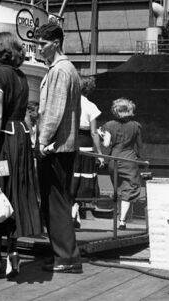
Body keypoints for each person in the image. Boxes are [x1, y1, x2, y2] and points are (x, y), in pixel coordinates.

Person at [0, 32, 42, 278]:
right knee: (14, 192)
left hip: (1, 141)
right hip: (20, 139)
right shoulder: (21, 76)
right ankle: (14, 253)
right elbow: (25, 113)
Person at [35, 22, 83, 274]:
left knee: (56, 203)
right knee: (59, 201)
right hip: (66, 145)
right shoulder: (69, 70)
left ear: (55, 43)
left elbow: (53, 112)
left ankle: (66, 257)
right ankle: (61, 254)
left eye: (42, 44)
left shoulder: (58, 71)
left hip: (55, 147)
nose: (39, 49)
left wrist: (42, 141)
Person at [100, 98, 143, 230]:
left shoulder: (109, 125)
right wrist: (139, 157)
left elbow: (106, 145)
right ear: (130, 110)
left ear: (115, 111)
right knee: (128, 190)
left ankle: (118, 216)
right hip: (129, 160)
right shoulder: (136, 125)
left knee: (118, 189)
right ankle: (122, 221)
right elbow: (139, 146)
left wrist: (101, 135)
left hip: (114, 159)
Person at [71, 76, 105, 228]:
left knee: (71, 178)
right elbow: (93, 133)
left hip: (70, 144)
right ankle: (75, 208)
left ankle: (71, 209)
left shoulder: (69, 103)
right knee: (83, 181)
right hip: (85, 145)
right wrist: (99, 154)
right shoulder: (91, 106)